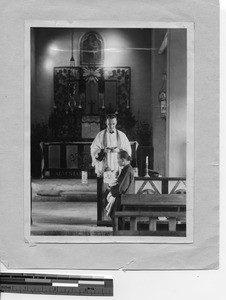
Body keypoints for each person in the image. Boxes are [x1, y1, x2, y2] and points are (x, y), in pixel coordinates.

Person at [106, 150, 135, 222]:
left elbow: (120, 188)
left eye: (117, 159)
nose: (117, 161)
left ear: (122, 160)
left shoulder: (127, 169)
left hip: (123, 199)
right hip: (124, 198)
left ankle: (118, 231)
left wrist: (111, 189)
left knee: (116, 216)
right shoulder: (127, 168)